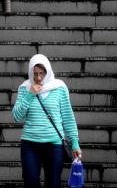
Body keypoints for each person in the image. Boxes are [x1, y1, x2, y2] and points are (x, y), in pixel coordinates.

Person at [12, 54, 82, 188]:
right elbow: (17, 116)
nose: (38, 78)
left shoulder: (59, 87)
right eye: (35, 74)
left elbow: (67, 116)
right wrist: (30, 94)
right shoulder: (25, 88)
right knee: (31, 183)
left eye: (42, 73)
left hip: (54, 145)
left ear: (48, 71)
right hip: (30, 145)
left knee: (53, 183)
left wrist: (74, 142)